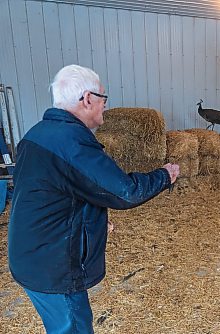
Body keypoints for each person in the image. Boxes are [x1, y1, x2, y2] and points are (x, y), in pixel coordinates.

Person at [8, 64, 179, 333]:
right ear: (87, 99)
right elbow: (124, 191)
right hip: (54, 265)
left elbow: (54, 192)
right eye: (103, 99)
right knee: (73, 327)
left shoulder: (37, 134)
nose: (105, 107)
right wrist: (164, 175)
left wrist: (94, 222)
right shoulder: (71, 142)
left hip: (31, 256)